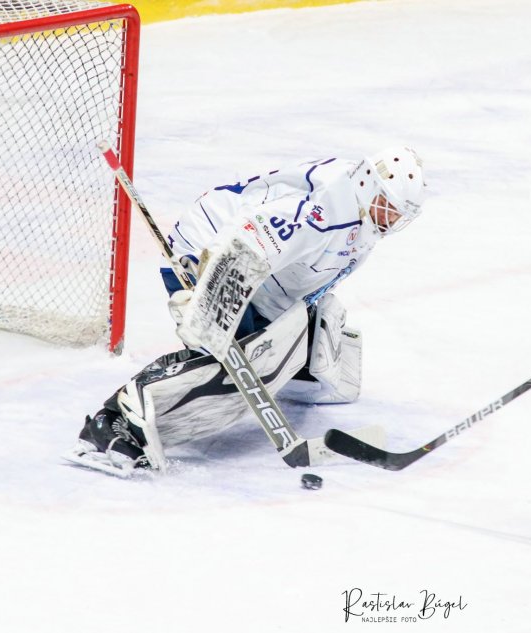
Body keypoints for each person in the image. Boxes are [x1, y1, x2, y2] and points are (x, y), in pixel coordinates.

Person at [67, 146, 427, 476]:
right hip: (210, 255)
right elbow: (244, 242)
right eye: (388, 205)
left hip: (263, 278)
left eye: (400, 213)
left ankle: (288, 367)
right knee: (236, 368)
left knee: (308, 341)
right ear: (367, 184)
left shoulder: (361, 210)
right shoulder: (322, 214)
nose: (393, 217)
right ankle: (115, 421)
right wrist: (210, 300)